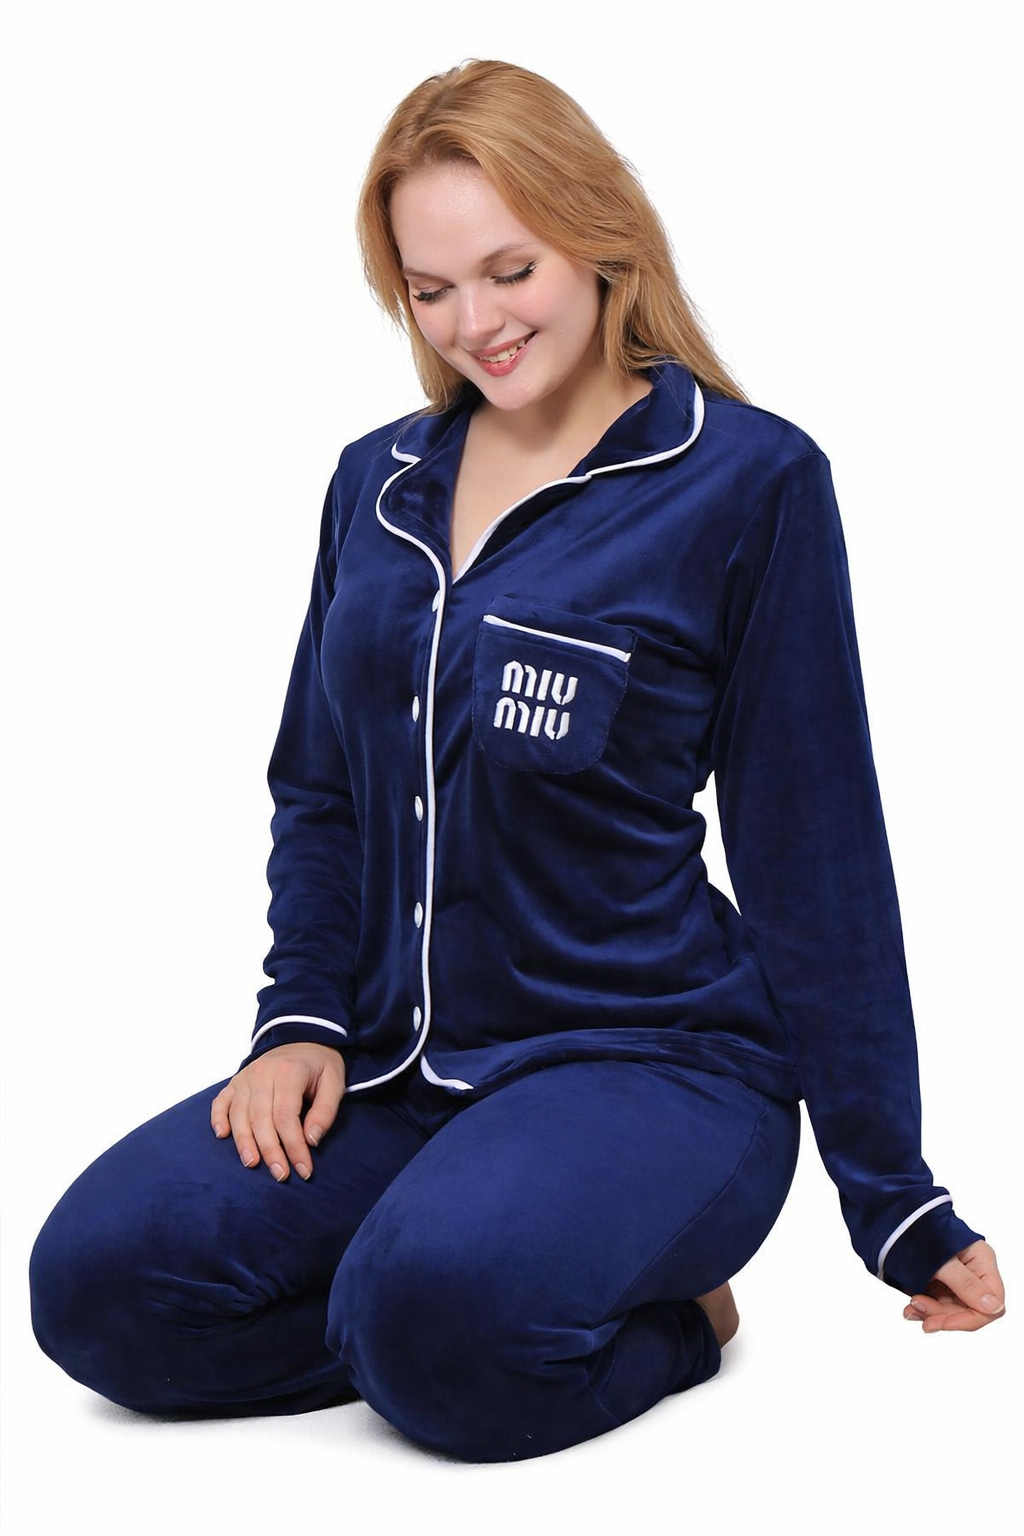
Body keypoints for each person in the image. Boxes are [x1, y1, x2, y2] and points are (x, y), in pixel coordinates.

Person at [29, 58, 1005, 1463]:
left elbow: (817, 853)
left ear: (599, 239)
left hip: (652, 1065)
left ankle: (664, 1318)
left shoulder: (747, 481)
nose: (474, 324)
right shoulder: (375, 485)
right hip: (395, 1066)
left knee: (435, 1318)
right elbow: (322, 790)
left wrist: (893, 1196)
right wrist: (298, 1022)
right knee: (99, 1290)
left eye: (510, 270)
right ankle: (445, 1288)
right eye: (431, 289)